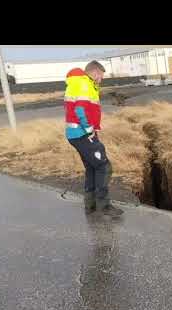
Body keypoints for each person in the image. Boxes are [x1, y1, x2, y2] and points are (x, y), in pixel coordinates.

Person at [64, 60, 123, 217]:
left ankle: (90, 205)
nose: (101, 79)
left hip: (77, 133)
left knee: (92, 167)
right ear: (95, 72)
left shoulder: (79, 83)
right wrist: (90, 129)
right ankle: (104, 206)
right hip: (83, 133)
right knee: (104, 167)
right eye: (101, 76)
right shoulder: (84, 84)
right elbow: (80, 109)